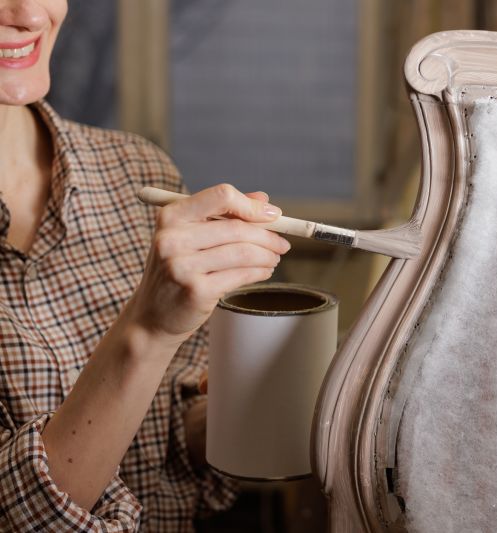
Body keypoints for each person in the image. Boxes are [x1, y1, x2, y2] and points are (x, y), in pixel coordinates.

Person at [0, 1, 291, 530]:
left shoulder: (137, 169)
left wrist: (265, 398)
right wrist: (147, 330)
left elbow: (172, 439)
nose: (28, 14)